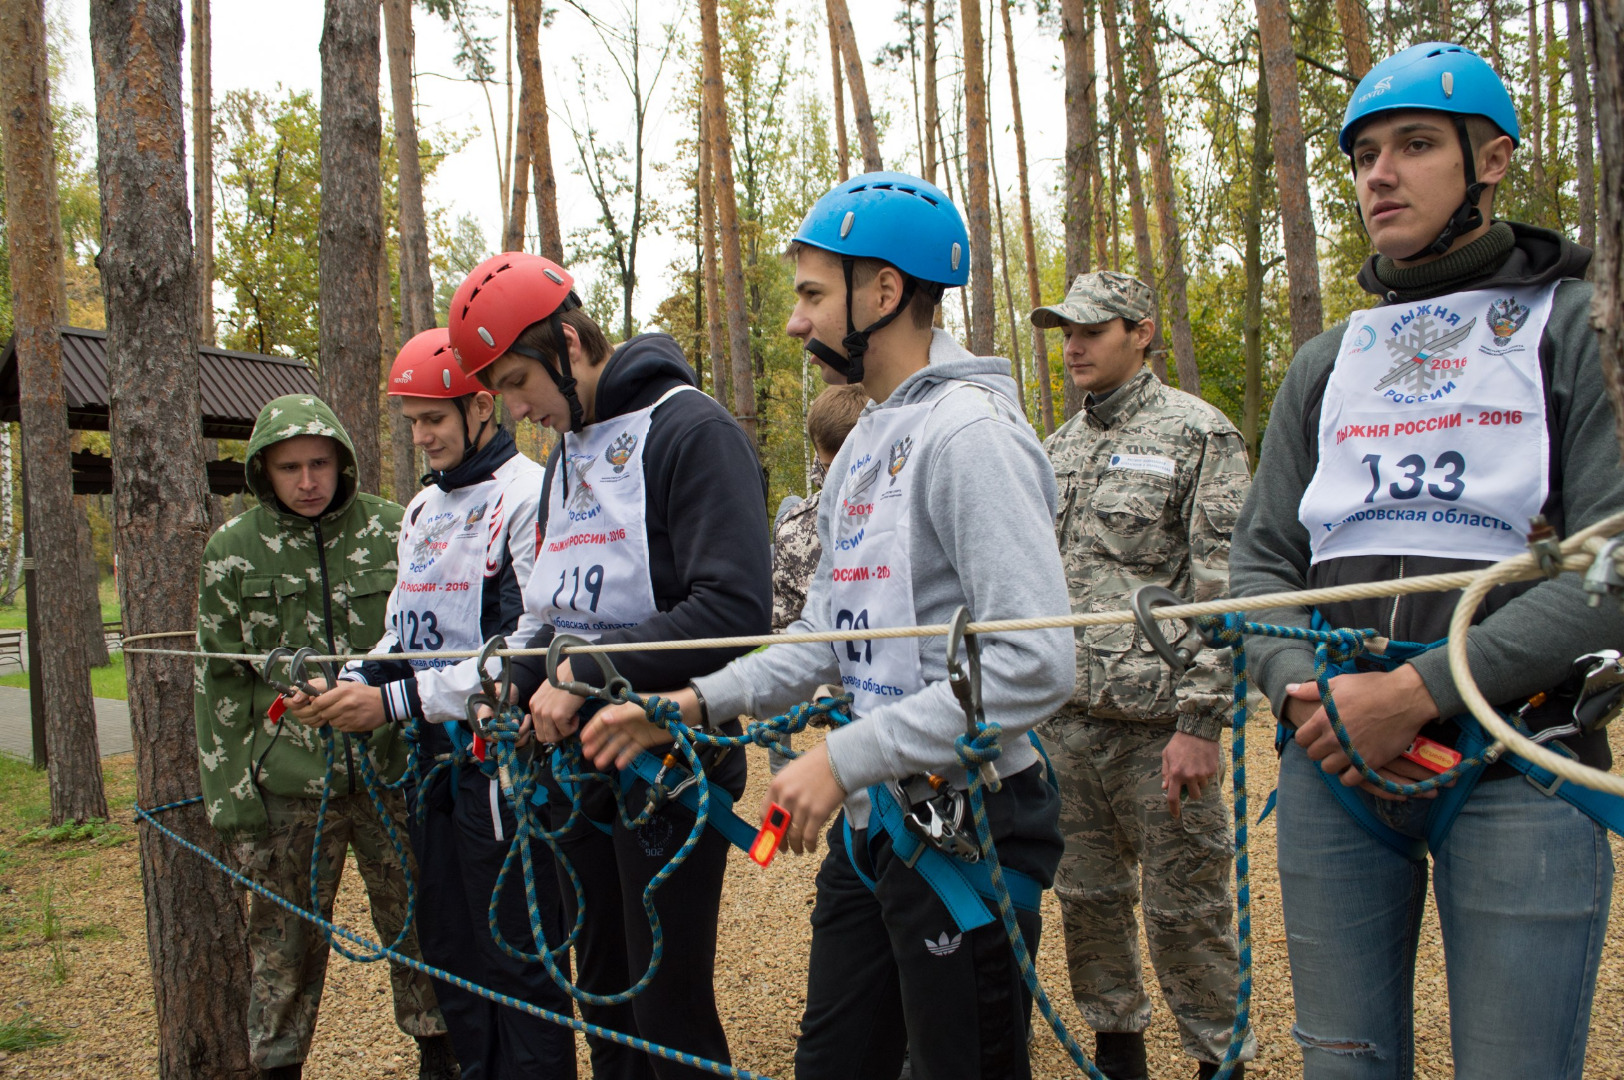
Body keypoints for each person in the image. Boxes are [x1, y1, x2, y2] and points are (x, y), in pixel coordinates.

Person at [588, 171, 1075, 1080]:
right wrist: (685, 705)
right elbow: (821, 636)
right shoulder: (865, 445)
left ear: (883, 293)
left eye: (813, 295)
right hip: (880, 820)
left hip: (966, 823)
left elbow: (1037, 663)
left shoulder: (972, 437)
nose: (795, 322)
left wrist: (843, 756)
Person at [1229, 43, 1624, 1078]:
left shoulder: (1576, 326)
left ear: (1489, 161)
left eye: (1412, 146)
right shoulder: (1327, 362)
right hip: (1335, 768)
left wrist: (1416, 690)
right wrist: (1296, 694)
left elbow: (1613, 567)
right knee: (1341, 1064)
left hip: (1517, 757)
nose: (1378, 175)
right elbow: (1259, 560)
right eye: (1363, 155)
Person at [447, 252, 772, 1080]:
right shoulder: (569, 454)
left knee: (667, 1014)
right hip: (579, 768)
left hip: (668, 764)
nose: (516, 408)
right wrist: (508, 683)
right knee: (606, 1004)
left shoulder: (691, 431)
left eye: (520, 380)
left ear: (567, 341)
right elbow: (556, 616)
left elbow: (733, 611)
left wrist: (581, 673)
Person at [287, 329, 575, 1079]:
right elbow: (403, 630)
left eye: (434, 420)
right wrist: (345, 682)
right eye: (412, 421)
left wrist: (393, 704)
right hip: (432, 759)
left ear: (482, 407)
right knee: (450, 951)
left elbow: (523, 644)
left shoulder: (526, 493)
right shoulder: (420, 509)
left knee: (516, 954)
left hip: (501, 762)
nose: (421, 436)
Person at [194, 394, 457, 1080]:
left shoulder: (394, 529)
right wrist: (233, 804)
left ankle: (441, 1054)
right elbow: (220, 688)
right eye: (289, 468)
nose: (307, 481)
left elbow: (429, 643)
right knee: (281, 949)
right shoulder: (231, 553)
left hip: (392, 771)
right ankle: (278, 1066)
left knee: (420, 927)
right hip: (286, 788)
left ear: (342, 462)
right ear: (263, 472)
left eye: (319, 464)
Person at [1031, 272, 1253, 1080]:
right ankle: (1116, 1057)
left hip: (1161, 730)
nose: (1075, 346)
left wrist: (1200, 721)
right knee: (1088, 907)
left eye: (1092, 329)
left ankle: (1214, 1064)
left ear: (1142, 331)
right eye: (1065, 332)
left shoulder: (1198, 435)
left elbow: (1225, 589)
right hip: (1066, 726)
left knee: (1188, 916)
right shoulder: (1053, 450)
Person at [767, 383, 870, 773]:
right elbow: (781, 630)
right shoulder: (795, 529)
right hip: (815, 678)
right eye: (825, 466)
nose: (831, 478)